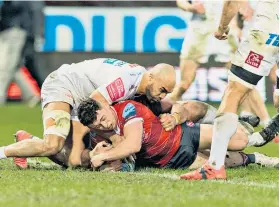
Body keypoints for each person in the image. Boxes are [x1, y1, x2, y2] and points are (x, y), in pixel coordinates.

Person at [0, 58, 176, 168]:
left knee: (73, 160)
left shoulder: (139, 82)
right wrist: (115, 139)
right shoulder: (126, 80)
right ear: (151, 77)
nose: (162, 96)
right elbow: (93, 104)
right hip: (63, 86)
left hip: (82, 103)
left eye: (166, 93)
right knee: (53, 145)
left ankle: (27, 144)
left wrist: (175, 115)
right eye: (162, 90)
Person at [181, 0, 279, 180]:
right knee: (278, 101)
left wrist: (222, 27)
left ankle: (215, 167)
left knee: (233, 92)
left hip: (270, 28)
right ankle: (271, 127)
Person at [77, 99, 277, 172]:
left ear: (104, 106)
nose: (105, 124)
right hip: (172, 160)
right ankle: (257, 159)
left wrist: (102, 156)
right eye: (99, 125)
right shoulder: (97, 133)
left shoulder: (127, 109)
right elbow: (89, 157)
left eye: (103, 118)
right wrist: (96, 154)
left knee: (239, 140)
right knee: (219, 163)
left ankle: (255, 136)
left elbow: (133, 145)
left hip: (182, 134)